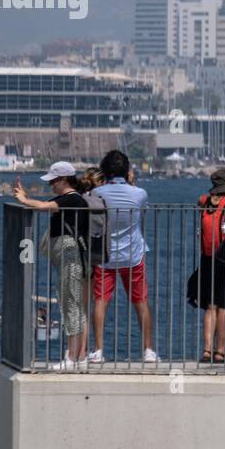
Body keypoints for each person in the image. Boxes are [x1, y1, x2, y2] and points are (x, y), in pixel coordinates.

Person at [13, 161, 90, 369]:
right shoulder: (71, 198)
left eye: (53, 181)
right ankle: (78, 357)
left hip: (70, 257)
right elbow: (47, 203)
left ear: (64, 179)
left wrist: (23, 199)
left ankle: (72, 359)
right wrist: (26, 197)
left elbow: (45, 206)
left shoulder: (72, 199)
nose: (51, 185)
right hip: (69, 258)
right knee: (73, 305)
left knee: (70, 306)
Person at [90, 150, 156, 363]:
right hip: (133, 254)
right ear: (127, 171)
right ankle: (148, 351)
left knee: (100, 301)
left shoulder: (97, 193)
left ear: (104, 170)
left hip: (105, 255)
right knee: (141, 301)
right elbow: (142, 211)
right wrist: (133, 183)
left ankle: (98, 350)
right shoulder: (140, 193)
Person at [187, 168, 225, 364]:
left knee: (210, 306)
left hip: (207, 259)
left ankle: (207, 350)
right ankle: (221, 351)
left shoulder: (204, 201)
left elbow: (202, 202)